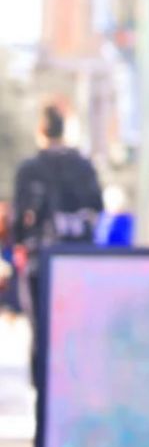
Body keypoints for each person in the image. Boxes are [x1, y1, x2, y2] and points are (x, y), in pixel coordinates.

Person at [11, 105, 104, 385]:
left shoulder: (30, 169)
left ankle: (44, 405)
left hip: (41, 261)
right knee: (74, 331)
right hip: (79, 261)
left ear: (41, 130)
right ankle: (73, 392)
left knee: (42, 330)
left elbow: (20, 220)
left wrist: (21, 245)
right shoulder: (83, 167)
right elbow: (97, 210)